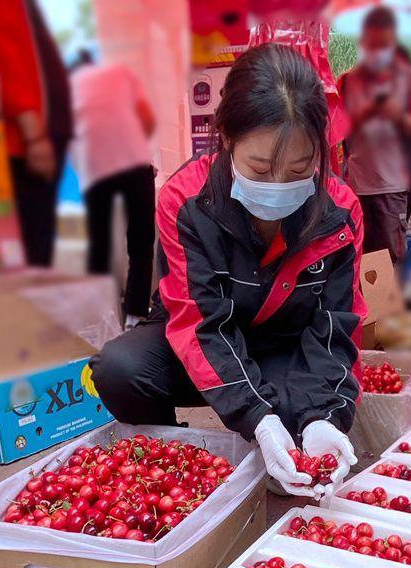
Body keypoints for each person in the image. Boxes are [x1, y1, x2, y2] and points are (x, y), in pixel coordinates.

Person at [90, 43, 365, 498]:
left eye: (300, 168)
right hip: (203, 343)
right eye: (259, 167)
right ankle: (175, 462)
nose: (278, 185)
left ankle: (287, 429)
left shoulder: (340, 212)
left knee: (299, 438)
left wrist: (323, 415)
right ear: (226, 138)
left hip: (279, 348)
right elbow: (201, 323)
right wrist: (257, 417)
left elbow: (335, 326)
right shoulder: (185, 201)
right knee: (122, 367)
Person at [0, 0, 73, 266]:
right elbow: (2, 51)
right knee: (29, 255)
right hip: (22, 141)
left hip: (36, 134)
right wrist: (32, 133)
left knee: (35, 249)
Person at [70, 50, 157, 327]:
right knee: (141, 246)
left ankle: (100, 319)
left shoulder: (68, 87)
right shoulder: (121, 74)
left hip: (97, 168)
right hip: (134, 163)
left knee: (99, 245)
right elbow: (148, 121)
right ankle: (135, 315)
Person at [339, 6, 411, 263]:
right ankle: (366, 303)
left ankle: (388, 302)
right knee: (360, 258)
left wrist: (397, 116)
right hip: (358, 186)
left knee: (390, 257)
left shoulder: (409, 79)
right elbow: (337, 128)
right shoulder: (348, 81)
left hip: (393, 186)